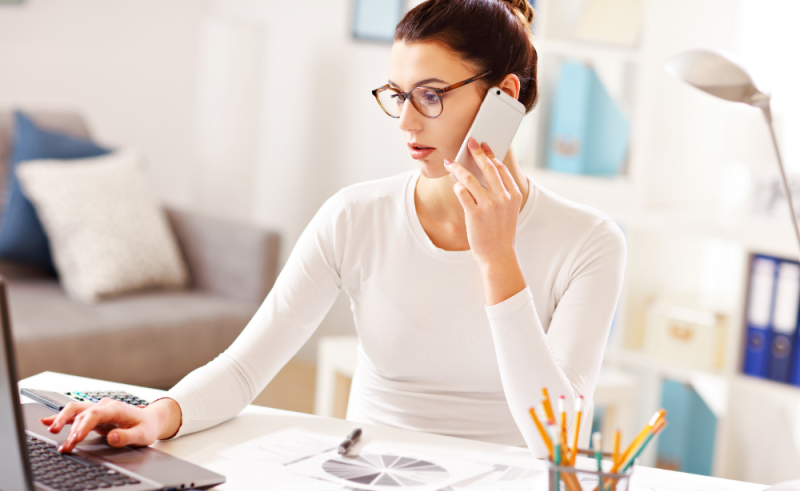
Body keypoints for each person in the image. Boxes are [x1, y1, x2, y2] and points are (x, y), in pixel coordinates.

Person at [44, 0, 625, 458]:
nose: (404, 121)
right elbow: (247, 366)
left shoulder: (589, 243)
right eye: (398, 94)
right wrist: (159, 413)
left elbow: (560, 445)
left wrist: (498, 260)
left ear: (504, 96)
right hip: (369, 487)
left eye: (430, 95)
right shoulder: (354, 217)